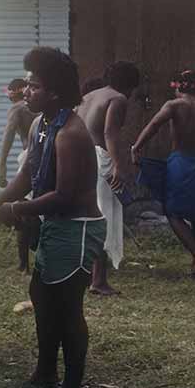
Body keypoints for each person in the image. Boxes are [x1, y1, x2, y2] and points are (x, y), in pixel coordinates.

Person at [0, 47, 105, 388]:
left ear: (53, 93)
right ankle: (46, 370)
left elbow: (65, 195)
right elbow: (26, 176)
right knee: (41, 294)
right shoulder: (39, 124)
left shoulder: (71, 134)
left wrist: (17, 211)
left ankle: (72, 383)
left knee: (67, 305)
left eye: (33, 86)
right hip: (55, 225)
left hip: (77, 227)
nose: (26, 92)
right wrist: (0, 199)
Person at [131, 70, 195, 276]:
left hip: (183, 162)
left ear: (177, 87)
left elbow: (154, 125)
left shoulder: (174, 106)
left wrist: (136, 147)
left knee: (173, 213)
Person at [76, 61, 140, 295]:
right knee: (105, 217)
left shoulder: (90, 95)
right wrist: (118, 165)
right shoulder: (118, 99)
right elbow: (109, 133)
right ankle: (99, 281)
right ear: (130, 86)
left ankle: (82, 275)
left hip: (78, 155)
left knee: (83, 215)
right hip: (98, 157)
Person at [0, 78, 39, 271]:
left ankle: (23, 264)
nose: (7, 96)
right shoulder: (43, 104)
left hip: (29, 160)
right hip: (47, 159)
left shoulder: (18, 108)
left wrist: (2, 165)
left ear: (16, 92)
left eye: (9, 92)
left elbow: (8, 135)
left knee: (22, 209)